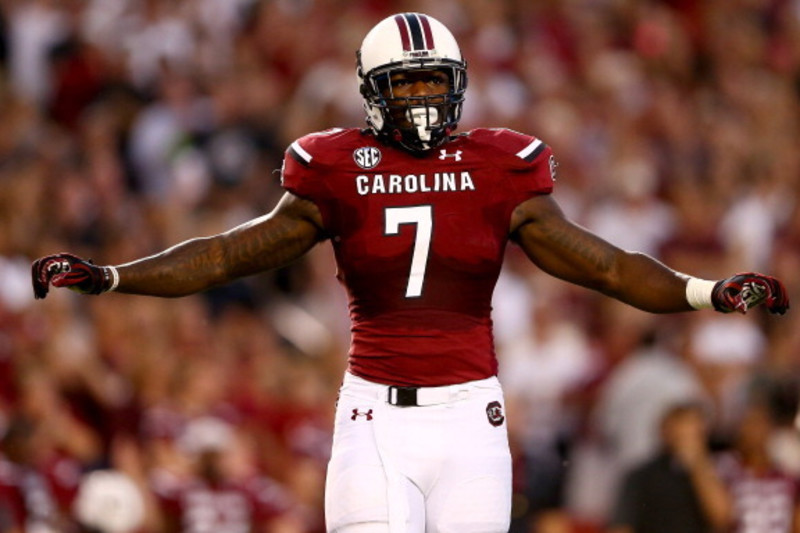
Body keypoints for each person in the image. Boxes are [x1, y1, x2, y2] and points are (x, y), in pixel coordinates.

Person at [31, 12, 790, 533]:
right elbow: (231, 251)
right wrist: (113, 276)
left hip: (471, 421)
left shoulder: (499, 167)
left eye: (436, 82)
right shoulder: (335, 167)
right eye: (409, 83)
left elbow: (606, 265)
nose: (426, 99)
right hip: (375, 419)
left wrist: (703, 290)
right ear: (372, 90)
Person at [606, 402, 732, 533]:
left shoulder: (723, 467)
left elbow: (722, 518)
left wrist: (697, 465)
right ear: (663, 431)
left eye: (691, 428)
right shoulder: (641, 475)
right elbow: (621, 526)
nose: (683, 434)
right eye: (678, 427)